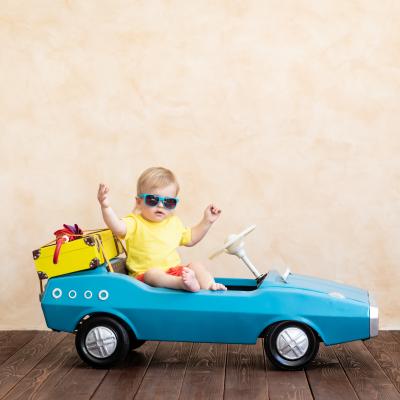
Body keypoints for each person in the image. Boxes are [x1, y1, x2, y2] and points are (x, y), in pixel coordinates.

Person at [97, 167, 227, 292]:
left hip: (174, 272)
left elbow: (191, 238)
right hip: (144, 279)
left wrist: (207, 221)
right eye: (152, 200)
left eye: (168, 202)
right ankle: (181, 284)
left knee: (196, 266)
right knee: (153, 273)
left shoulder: (174, 223)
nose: (160, 205)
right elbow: (117, 227)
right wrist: (106, 207)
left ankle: (210, 286)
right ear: (138, 202)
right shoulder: (135, 222)